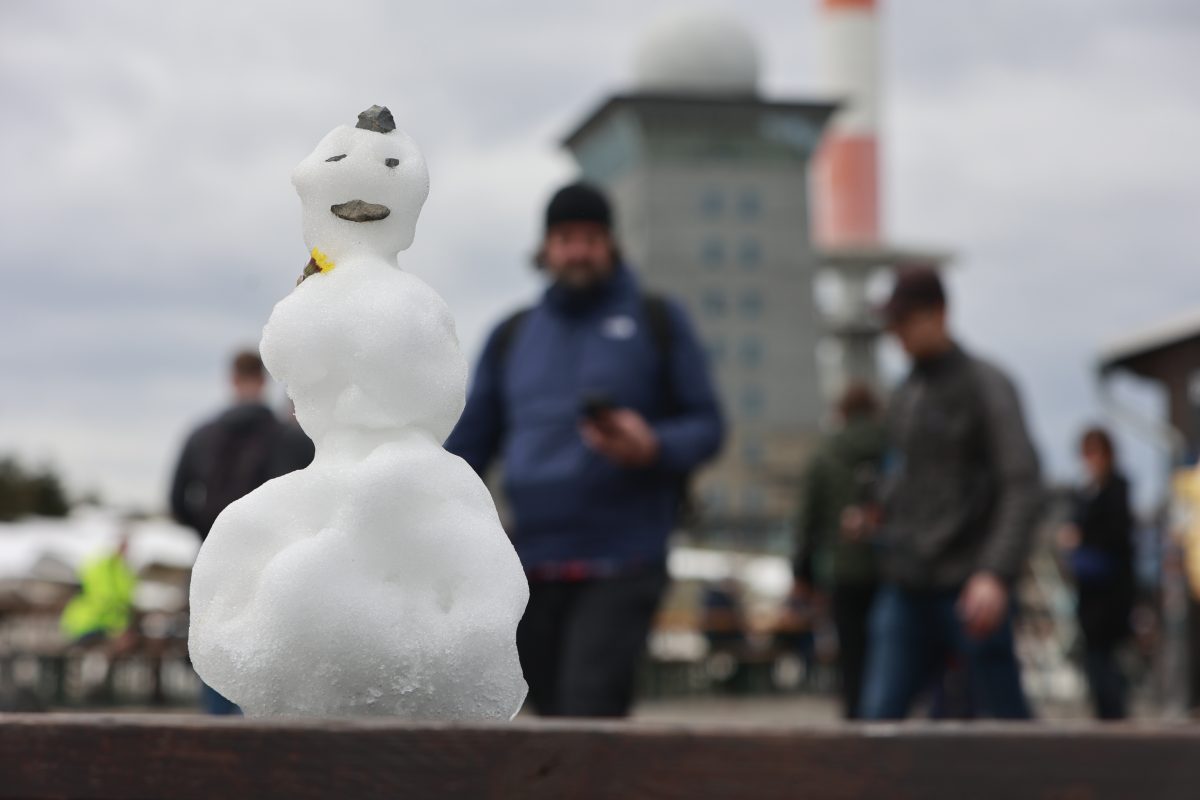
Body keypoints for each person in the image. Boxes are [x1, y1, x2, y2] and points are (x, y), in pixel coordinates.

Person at [445, 182, 724, 717]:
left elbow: (708, 426)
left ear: (611, 244)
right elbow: (470, 445)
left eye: (591, 238)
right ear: (547, 248)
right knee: (545, 714)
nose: (578, 250)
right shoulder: (513, 334)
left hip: (625, 558)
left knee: (589, 709)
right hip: (530, 565)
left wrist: (653, 445)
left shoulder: (658, 321)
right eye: (566, 237)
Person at [858, 267, 1043, 720]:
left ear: (938, 314)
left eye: (903, 322)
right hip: (907, 580)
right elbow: (906, 478)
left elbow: (1021, 483)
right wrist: (878, 511)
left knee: (1003, 725)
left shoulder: (987, 385)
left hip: (968, 584)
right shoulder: (906, 393)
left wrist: (995, 573)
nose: (894, 335)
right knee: (878, 723)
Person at [170, 350, 314, 714]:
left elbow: (175, 501)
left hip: (214, 568)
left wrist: (208, 530)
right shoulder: (288, 437)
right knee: (273, 678)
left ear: (231, 380)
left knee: (217, 662)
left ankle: (221, 758)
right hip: (275, 571)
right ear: (263, 381)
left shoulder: (200, 435)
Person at [793, 382, 887, 718]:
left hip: (844, 570)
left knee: (852, 653)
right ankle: (889, 718)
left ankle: (856, 720)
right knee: (889, 650)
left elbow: (808, 521)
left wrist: (802, 573)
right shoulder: (891, 446)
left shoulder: (826, 453)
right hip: (892, 567)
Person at [1058, 427, 1136, 719]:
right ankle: (1106, 721)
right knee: (1094, 663)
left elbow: (1117, 538)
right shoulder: (1084, 493)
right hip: (1089, 594)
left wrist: (1082, 540)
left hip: (1111, 594)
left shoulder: (1116, 489)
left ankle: (1115, 724)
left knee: (1107, 665)